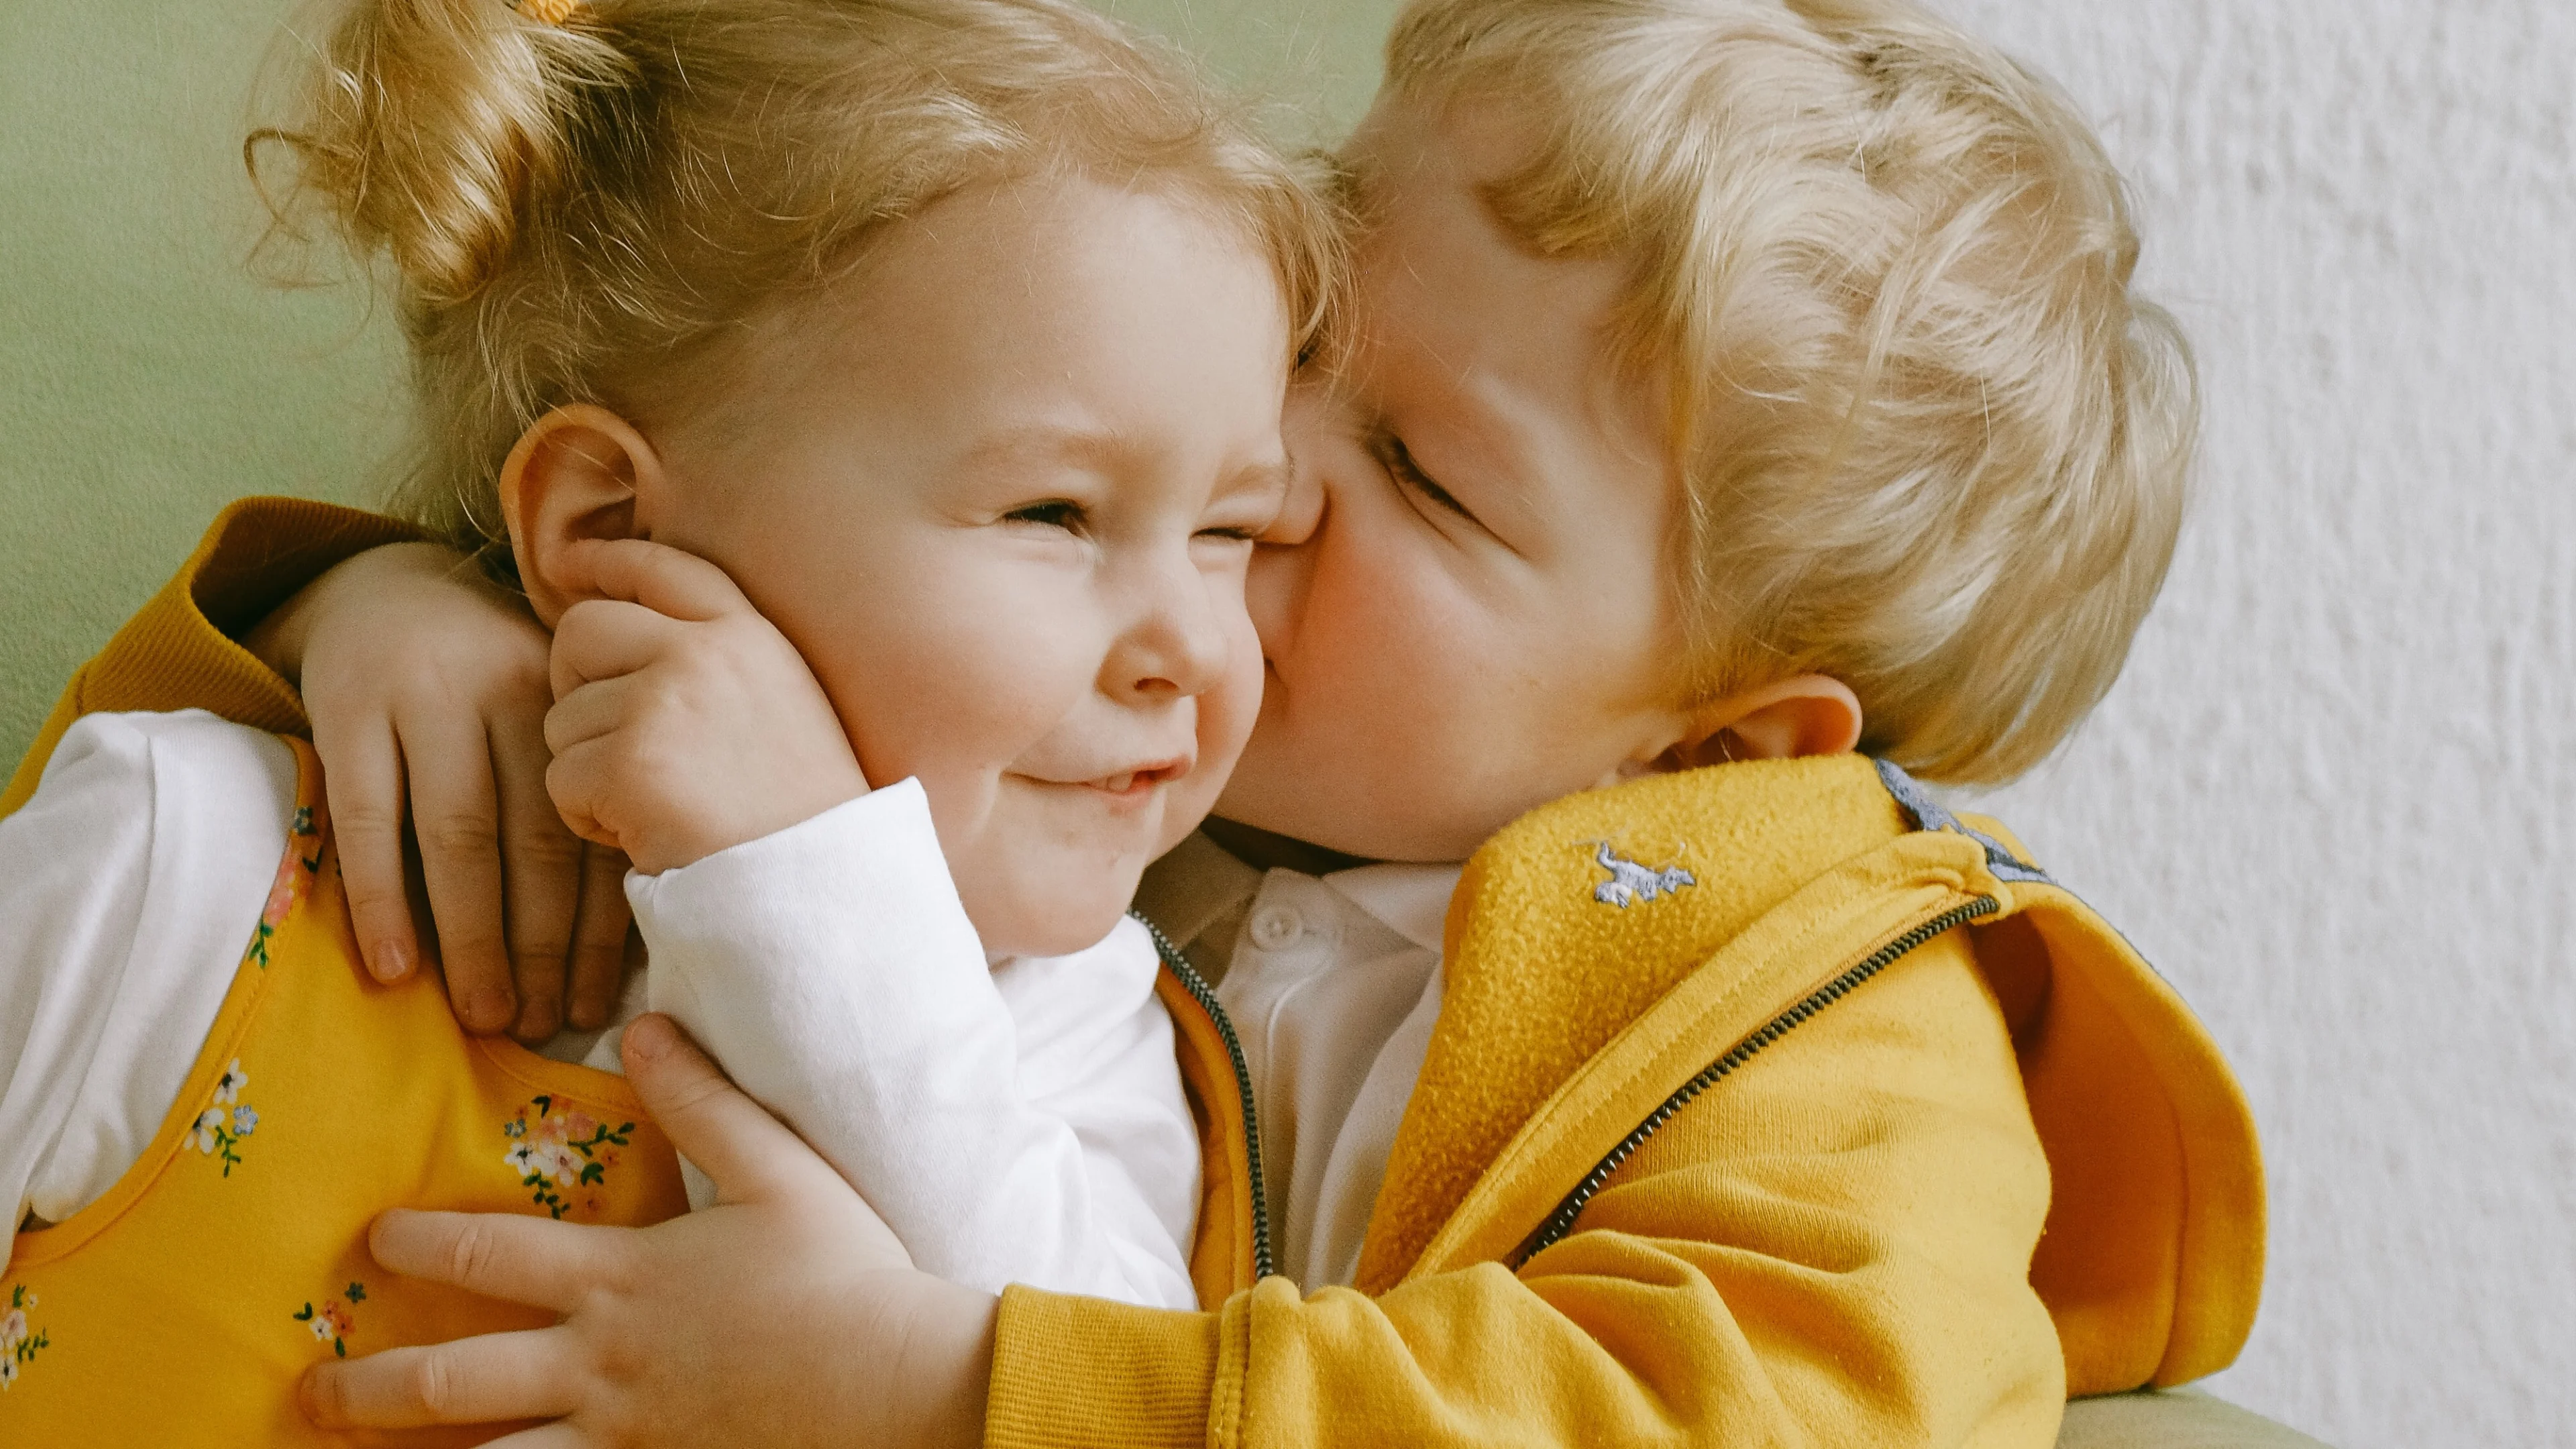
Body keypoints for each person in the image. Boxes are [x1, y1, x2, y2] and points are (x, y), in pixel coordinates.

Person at [5, 0, 2270, 1445]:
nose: (1262, 460)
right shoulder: (1168, 783)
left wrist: (950, 1398)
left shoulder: (1839, 1044)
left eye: (1416, 468)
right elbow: (791, 562)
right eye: (1311, 318)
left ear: (1702, 752)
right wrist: (403, 606)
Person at [0, 0, 1342, 1434]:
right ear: (612, 525)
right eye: (1054, 512)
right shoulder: (184, 859)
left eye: (1233, 531)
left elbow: (1092, 1401)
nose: (1194, 648)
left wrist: (813, 883)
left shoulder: (1081, 1038)